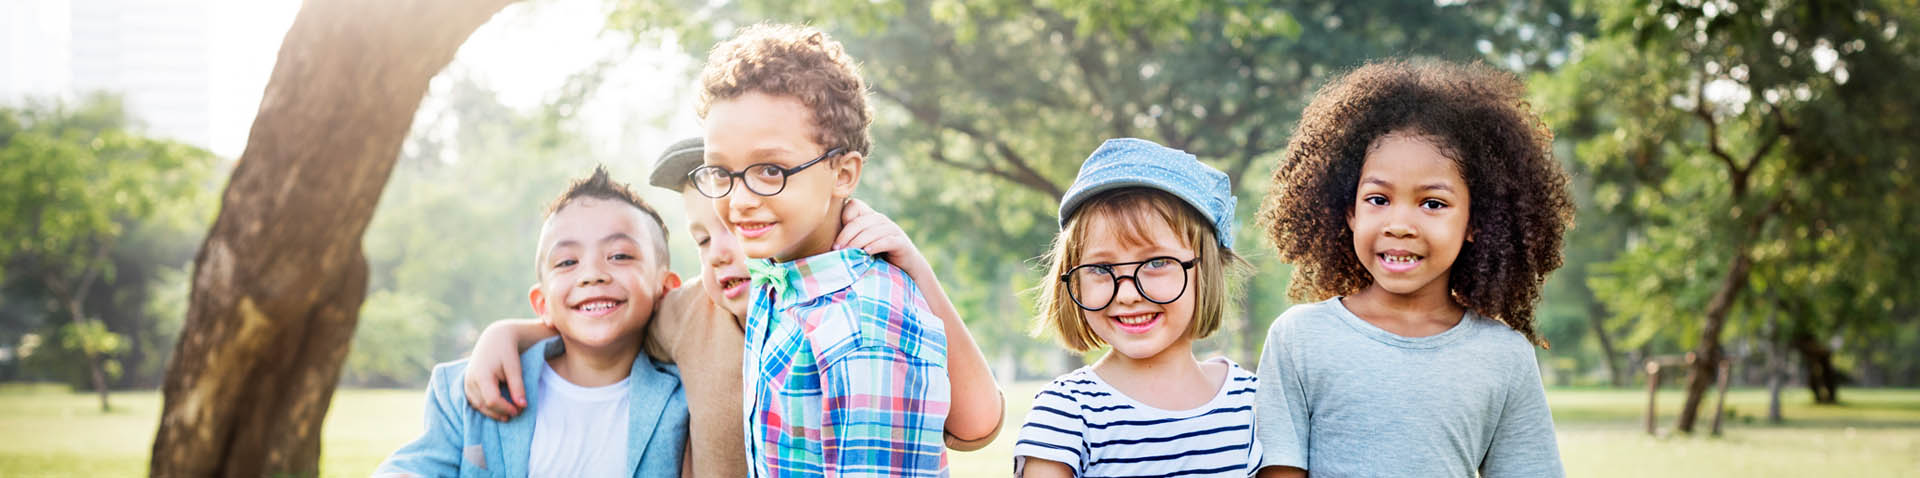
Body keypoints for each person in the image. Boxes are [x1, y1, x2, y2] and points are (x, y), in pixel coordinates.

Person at [460, 137, 1005, 477]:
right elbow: (607, 318)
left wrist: (914, 266)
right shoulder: (689, 312)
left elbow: (979, 425)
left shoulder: (854, 312)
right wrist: (508, 334)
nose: (721, 253)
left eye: (737, 228)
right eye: (701, 239)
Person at [1252, 59, 1573, 477]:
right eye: (1378, 199)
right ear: (1349, 211)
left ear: (1475, 222)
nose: (1400, 225)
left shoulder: (1504, 356)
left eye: (1433, 204)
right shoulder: (1299, 340)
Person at [376, 166, 688, 477]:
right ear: (542, 304)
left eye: (620, 256)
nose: (592, 274)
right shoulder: (470, 389)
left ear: (666, 289)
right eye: (567, 262)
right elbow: (412, 468)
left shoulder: (685, 397)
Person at [1013, 138, 1261, 477]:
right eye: (1101, 269)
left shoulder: (1252, 403)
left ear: (1206, 269)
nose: (1127, 294)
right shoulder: (1067, 413)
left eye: (1157, 262)